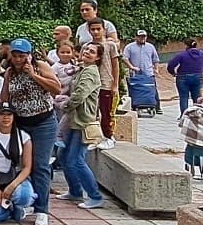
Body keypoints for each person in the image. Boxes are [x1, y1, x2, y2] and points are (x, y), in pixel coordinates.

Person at [0, 37, 60, 225]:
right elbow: (4, 97)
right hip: (21, 123)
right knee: (23, 163)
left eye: (22, 56)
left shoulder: (39, 66)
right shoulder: (10, 72)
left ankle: (42, 210)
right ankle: (26, 200)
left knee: (40, 165)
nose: (18, 59)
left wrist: (33, 75)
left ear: (29, 55)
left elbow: (56, 88)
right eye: (15, 56)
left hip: (43, 122)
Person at [56, 42, 106, 210]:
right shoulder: (81, 69)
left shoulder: (90, 73)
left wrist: (65, 105)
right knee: (63, 155)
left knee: (76, 160)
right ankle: (75, 191)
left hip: (82, 122)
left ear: (97, 57)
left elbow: (79, 96)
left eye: (92, 52)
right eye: (86, 49)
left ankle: (94, 196)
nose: (87, 52)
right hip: (73, 120)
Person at [0, 103, 35, 224]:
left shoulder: (23, 137)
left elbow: (27, 167)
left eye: (9, 114)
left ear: (14, 116)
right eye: (2, 114)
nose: (6, 118)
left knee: (23, 196)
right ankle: (7, 208)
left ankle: (18, 207)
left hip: (16, 179)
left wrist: (12, 186)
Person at [86, 17, 119, 149]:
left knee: (106, 112)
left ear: (104, 29)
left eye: (98, 29)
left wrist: (115, 84)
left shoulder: (110, 45)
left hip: (106, 82)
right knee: (93, 112)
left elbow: (115, 65)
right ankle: (97, 137)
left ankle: (109, 136)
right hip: (92, 84)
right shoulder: (88, 47)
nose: (95, 32)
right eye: (92, 29)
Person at [123, 29, 161, 114]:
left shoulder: (150, 47)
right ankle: (135, 105)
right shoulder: (130, 47)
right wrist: (131, 67)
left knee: (152, 88)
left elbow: (155, 59)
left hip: (148, 72)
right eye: (140, 37)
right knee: (134, 89)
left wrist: (156, 69)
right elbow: (125, 58)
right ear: (136, 37)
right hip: (135, 73)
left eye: (144, 37)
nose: (142, 38)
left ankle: (156, 106)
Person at [169, 39, 203, 116]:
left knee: (183, 97)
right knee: (197, 98)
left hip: (183, 77)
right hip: (197, 77)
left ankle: (184, 116)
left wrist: (173, 72)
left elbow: (171, 65)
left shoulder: (181, 55)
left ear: (186, 46)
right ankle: (197, 115)